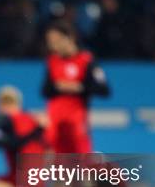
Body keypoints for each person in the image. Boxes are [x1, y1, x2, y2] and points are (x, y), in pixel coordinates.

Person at [42, 20, 110, 154]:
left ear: (70, 38)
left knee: (81, 157)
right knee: (52, 157)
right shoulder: (52, 61)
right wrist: (59, 87)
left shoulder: (86, 60)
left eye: (56, 40)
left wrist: (80, 88)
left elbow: (104, 89)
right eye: (50, 41)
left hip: (77, 118)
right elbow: (45, 90)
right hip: (56, 119)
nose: (52, 45)